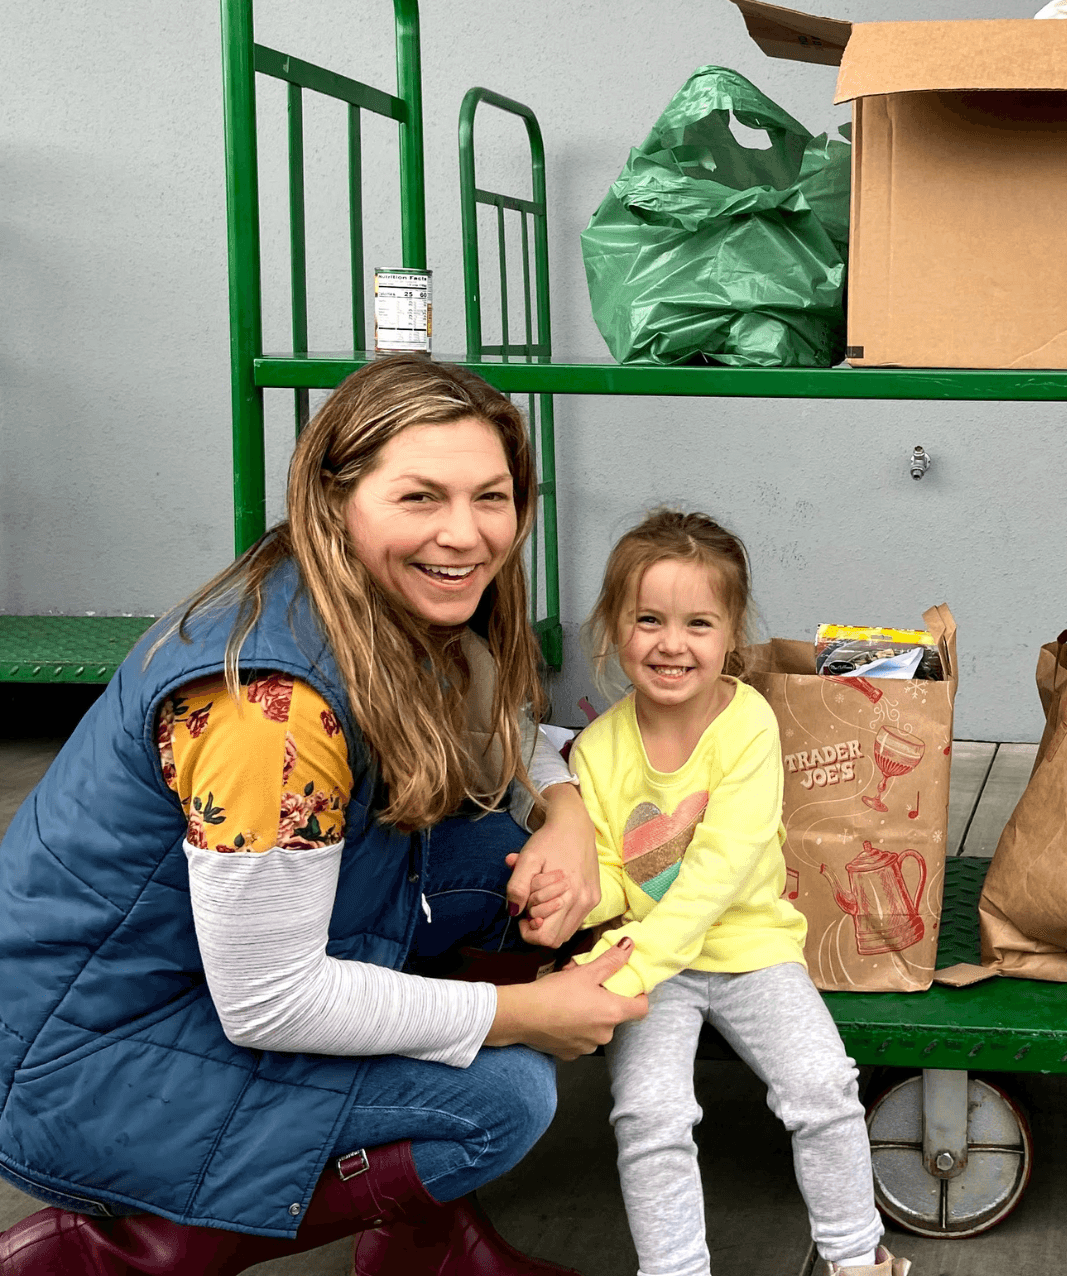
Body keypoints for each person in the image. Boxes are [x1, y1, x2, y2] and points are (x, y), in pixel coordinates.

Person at [0, 355, 647, 1276]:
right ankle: (128, 1252)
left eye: (491, 497)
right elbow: (271, 1000)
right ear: (334, 497)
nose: (466, 535)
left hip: (193, 980)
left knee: (514, 860)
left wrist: (569, 818)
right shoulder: (274, 711)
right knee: (501, 1098)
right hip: (85, 1054)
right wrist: (521, 1012)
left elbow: (508, 733)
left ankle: (423, 1248)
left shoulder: (380, 602)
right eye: (420, 497)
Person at [565, 509, 909, 1276]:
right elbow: (612, 875)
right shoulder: (596, 748)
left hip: (747, 949)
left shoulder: (748, 722)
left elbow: (720, 872)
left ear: (731, 634)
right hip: (654, 961)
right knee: (649, 1113)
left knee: (823, 1085)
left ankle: (857, 1256)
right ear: (614, 625)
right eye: (647, 619)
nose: (671, 643)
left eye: (698, 622)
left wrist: (628, 968)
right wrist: (569, 902)